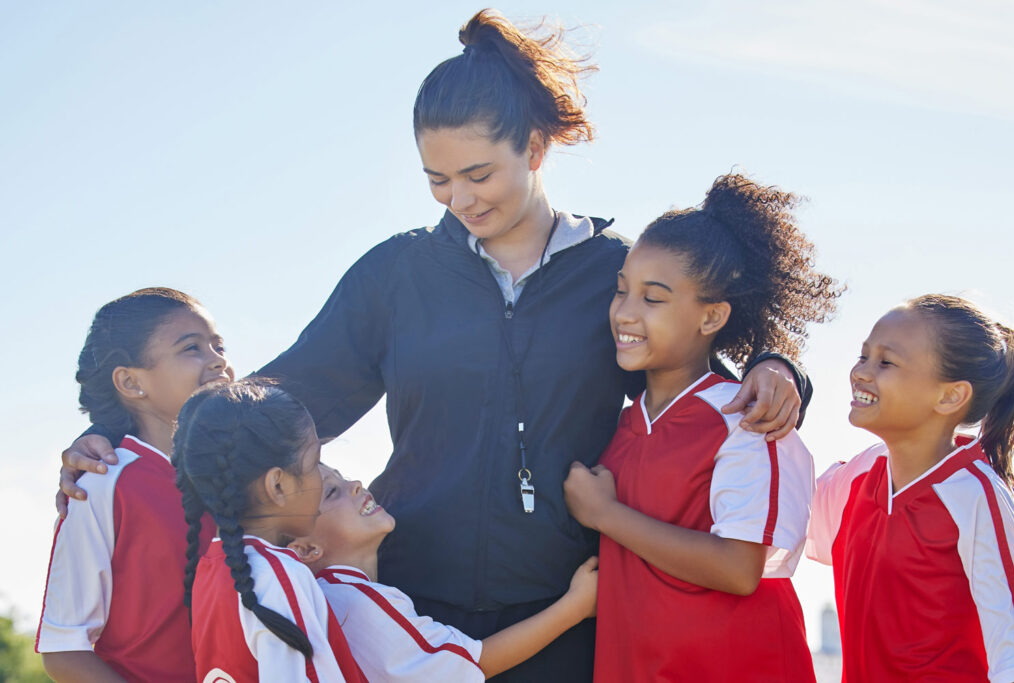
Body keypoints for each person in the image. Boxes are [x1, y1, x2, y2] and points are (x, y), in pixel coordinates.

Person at [56, 10, 810, 680]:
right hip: (412, 610)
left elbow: (697, 372)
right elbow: (283, 395)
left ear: (537, 148)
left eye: (479, 173)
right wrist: (118, 433)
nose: (462, 199)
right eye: (438, 180)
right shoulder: (397, 274)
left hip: (571, 609)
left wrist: (781, 369)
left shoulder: (613, 273)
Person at [564, 174, 842, 681]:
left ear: (711, 316)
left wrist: (605, 513)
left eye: (653, 298)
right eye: (621, 291)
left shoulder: (746, 418)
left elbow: (738, 570)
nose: (625, 312)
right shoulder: (621, 421)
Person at [805, 294, 1014, 682]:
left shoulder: (974, 496)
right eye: (863, 356)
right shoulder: (858, 475)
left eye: (886, 362)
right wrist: (777, 370)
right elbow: (771, 518)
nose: (861, 372)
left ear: (950, 396)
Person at [36, 288, 233, 682]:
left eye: (219, 345)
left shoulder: (245, 474)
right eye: (192, 348)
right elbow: (64, 650)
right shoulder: (104, 483)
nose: (219, 362)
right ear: (130, 382)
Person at [287, 464, 598, 681]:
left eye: (342, 478)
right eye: (331, 492)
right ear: (306, 550)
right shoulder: (356, 602)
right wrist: (576, 606)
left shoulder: (327, 598)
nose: (354, 483)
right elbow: (475, 663)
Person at [175, 379, 367, 682]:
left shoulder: (212, 569)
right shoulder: (280, 576)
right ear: (278, 486)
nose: (322, 475)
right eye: (315, 462)